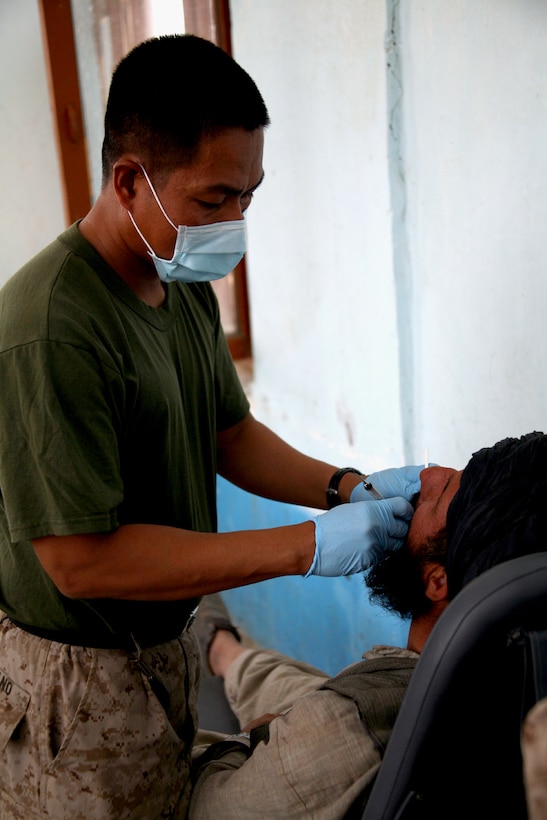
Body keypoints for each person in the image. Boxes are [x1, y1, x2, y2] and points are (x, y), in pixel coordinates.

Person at [0, 34, 423, 818]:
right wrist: (304, 548)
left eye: (248, 196)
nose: (234, 222)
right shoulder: (51, 325)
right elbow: (81, 562)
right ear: (129, 180)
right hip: (80, 683)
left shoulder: (178, 279)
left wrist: (341, 487)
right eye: (214, 199)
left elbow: (229, 432)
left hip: (166, 647)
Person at [189, 432, 547, 819]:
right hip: (338, 729)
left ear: (438, 581)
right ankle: (224, 650)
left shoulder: (339, 724)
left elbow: (209, 806)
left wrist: (248, 738)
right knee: (282, 682)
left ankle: (222, 651)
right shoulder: (520, 678)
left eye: (439, 494)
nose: (427, 476)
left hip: (319, 747)